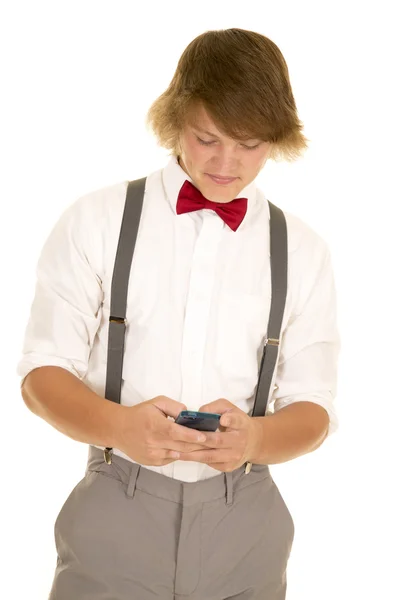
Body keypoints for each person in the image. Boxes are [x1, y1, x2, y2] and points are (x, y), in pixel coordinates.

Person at [17, 27, 340, 600]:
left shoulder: (303, 250)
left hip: (246, 527)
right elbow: (41, 377)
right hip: (116, 510)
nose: (227, 163)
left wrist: (255, 439)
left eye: (250, 144)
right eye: (207, 137)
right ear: (175, 121)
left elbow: (314, 411)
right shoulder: (98, 220)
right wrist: (119, 427)